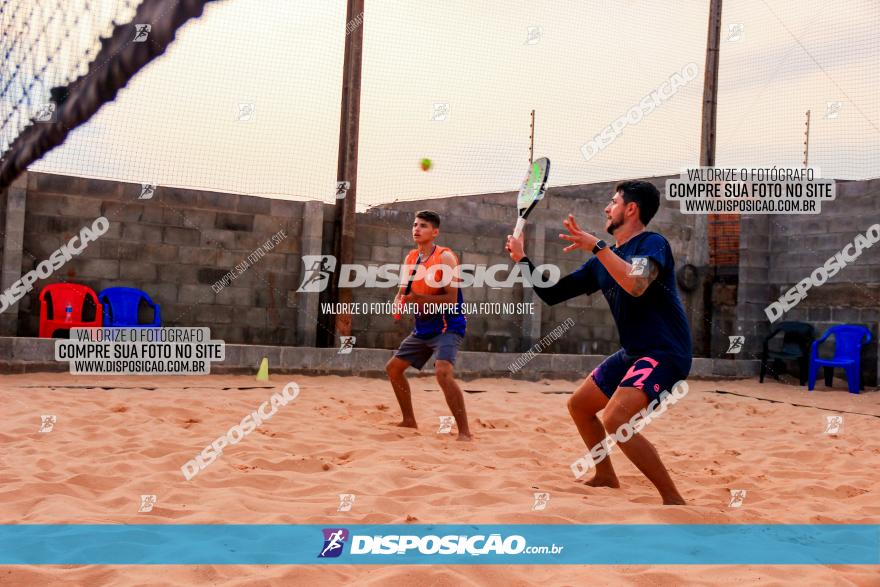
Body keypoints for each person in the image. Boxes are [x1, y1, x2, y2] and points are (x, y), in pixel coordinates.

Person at [506, 180, 691, 504]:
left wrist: (597, 247)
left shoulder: (653, 244)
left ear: (631, 209)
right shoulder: (603, 260)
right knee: (580, 405)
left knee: (616, 419)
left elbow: (636, 284)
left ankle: (673, 500)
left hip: (665, 352)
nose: (607, 208)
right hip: (634, 352)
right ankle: (605, 475)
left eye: (613, 201)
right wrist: (523, 260)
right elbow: (552, 294)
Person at [385, 210, 472, 440]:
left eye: (423, 225)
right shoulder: (411, 258)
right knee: (393, 369)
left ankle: (464, 432)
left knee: (443, 373)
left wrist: (419, 299)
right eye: (415, 224)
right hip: (423, 327)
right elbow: (403, 291)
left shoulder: (445, 258)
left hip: (447, 325)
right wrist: (398, 301)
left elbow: (452, 299)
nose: (416, 229)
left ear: (435, 232)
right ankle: (409, 420)